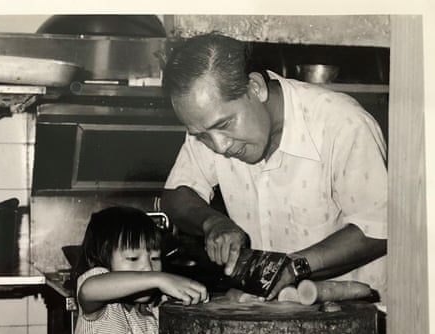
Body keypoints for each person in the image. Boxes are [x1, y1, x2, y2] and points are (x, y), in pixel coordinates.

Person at [161, 32, 388, 302]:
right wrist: (212, 222)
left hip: (351, 315)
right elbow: (176, 193)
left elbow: (379, 228)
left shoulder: (342, 124)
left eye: (224, 125)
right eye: (202, 135)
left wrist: (295, 266)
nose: (219, 147)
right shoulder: (209, 125)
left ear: (255, 88)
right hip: (269, 316)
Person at [73, 206, 208, 334]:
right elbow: (89, 290)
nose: (148, 268)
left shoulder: (156, 310)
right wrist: (159, 278)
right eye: (133, 258)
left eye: (155, 258)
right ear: (101, 260)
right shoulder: (103, 307)